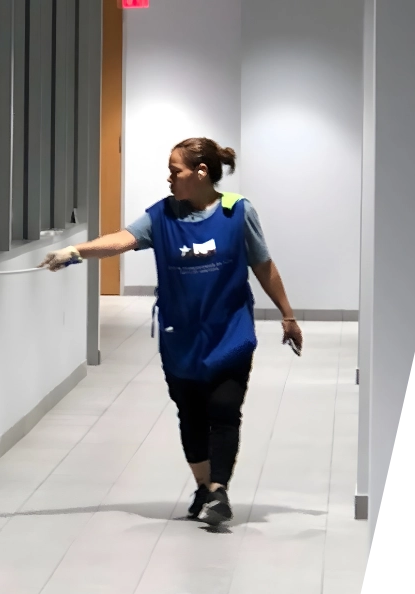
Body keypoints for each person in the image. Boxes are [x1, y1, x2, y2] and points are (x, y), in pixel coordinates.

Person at [40, 138, 303, 526]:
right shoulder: (161, 215)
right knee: (191, 415)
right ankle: (204, 487)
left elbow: (263, 264)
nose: (169, 178)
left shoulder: (237, 211)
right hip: (181, 338)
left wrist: (287, 315)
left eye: (175, 171)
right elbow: (121, 240)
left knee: (225, 411)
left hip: (230, 334)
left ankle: (219, 490)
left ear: (201, 172)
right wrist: (76, 252)